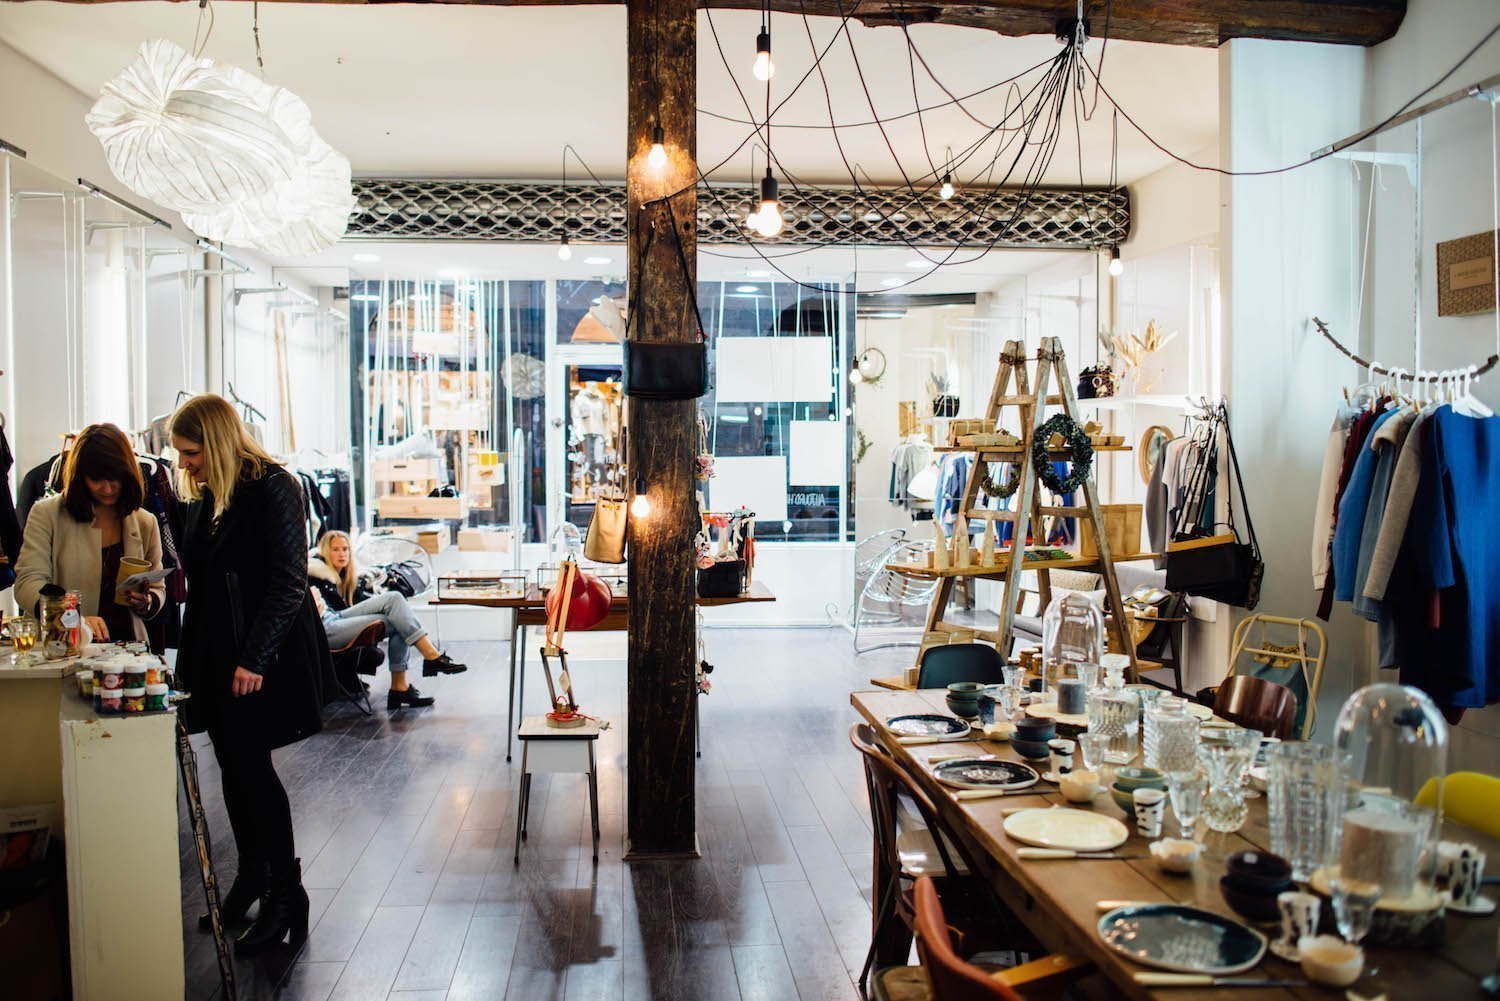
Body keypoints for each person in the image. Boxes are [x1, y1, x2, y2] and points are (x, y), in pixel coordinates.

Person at [170, 394, 334, 955]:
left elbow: (289, 581)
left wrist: (254, 658)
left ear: (216, 442)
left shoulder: (274, 487)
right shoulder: (207, 494)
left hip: (258, 657)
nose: (184, 463)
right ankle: (252, 878)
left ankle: (286, 893)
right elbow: (203, 577)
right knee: (233, 771)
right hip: (215, 654)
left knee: (254, 773)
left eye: (191, 452)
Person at [15, 423, 166, 643]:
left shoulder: (145, 521)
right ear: (80, 476)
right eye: (97, 479)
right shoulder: (47, 514)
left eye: (115, 478)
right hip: (66, 646)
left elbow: (157, 588)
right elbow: (28, 583)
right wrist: (73, 617)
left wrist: (147, 601)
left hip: (127, 649)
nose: (108, 488)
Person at [308, 530, 466, 710]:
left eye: (345, 549)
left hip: (337, 620)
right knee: (394, 601)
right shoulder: (316, 575)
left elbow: (357, 604)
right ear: (325, 552)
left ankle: (399, 687)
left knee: (398, 616)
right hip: (326, 628)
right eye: (335, 549)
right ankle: (431, 656)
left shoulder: (348, 577)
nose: (341, 554)